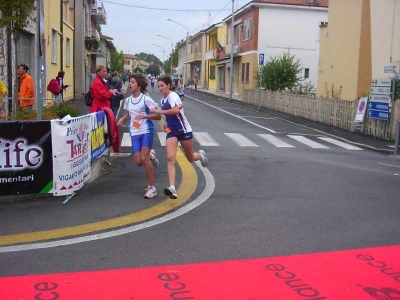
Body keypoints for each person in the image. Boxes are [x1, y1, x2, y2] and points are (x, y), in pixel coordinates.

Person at [155, 75, 208, 199]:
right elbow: (169, 117)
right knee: (170, 158)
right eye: (158, 87)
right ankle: (172, 188)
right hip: (172, 132)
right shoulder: (163, 100)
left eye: (162, 86)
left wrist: (160, 112)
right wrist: (166, 125)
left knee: (190, 158)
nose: (160, 88)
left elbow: (175, 111)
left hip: (184, 131)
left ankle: (200, 155)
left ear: (168, 85)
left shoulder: (173, 96)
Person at [117, 73, 161, 199]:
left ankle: (152, 188)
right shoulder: (128, 100)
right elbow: (130, 113)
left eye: (132, 82)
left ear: (139, 85)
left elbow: (158, 116)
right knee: (138, 161)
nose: (130, 84)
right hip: (134, 131)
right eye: (130, 82)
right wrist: (122, 119)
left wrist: (145, 116)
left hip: (146, 130)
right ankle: (151, 155)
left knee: (144, 158)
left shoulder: (145, 99)